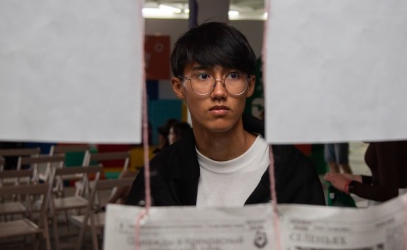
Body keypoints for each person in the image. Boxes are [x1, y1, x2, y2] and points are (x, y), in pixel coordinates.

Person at [127, 22, 324, 207]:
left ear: (250, 85)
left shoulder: (293, 172)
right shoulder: (157, 179)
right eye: (203, 76)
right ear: (179, 88)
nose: (219, 92)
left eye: (233, 75)